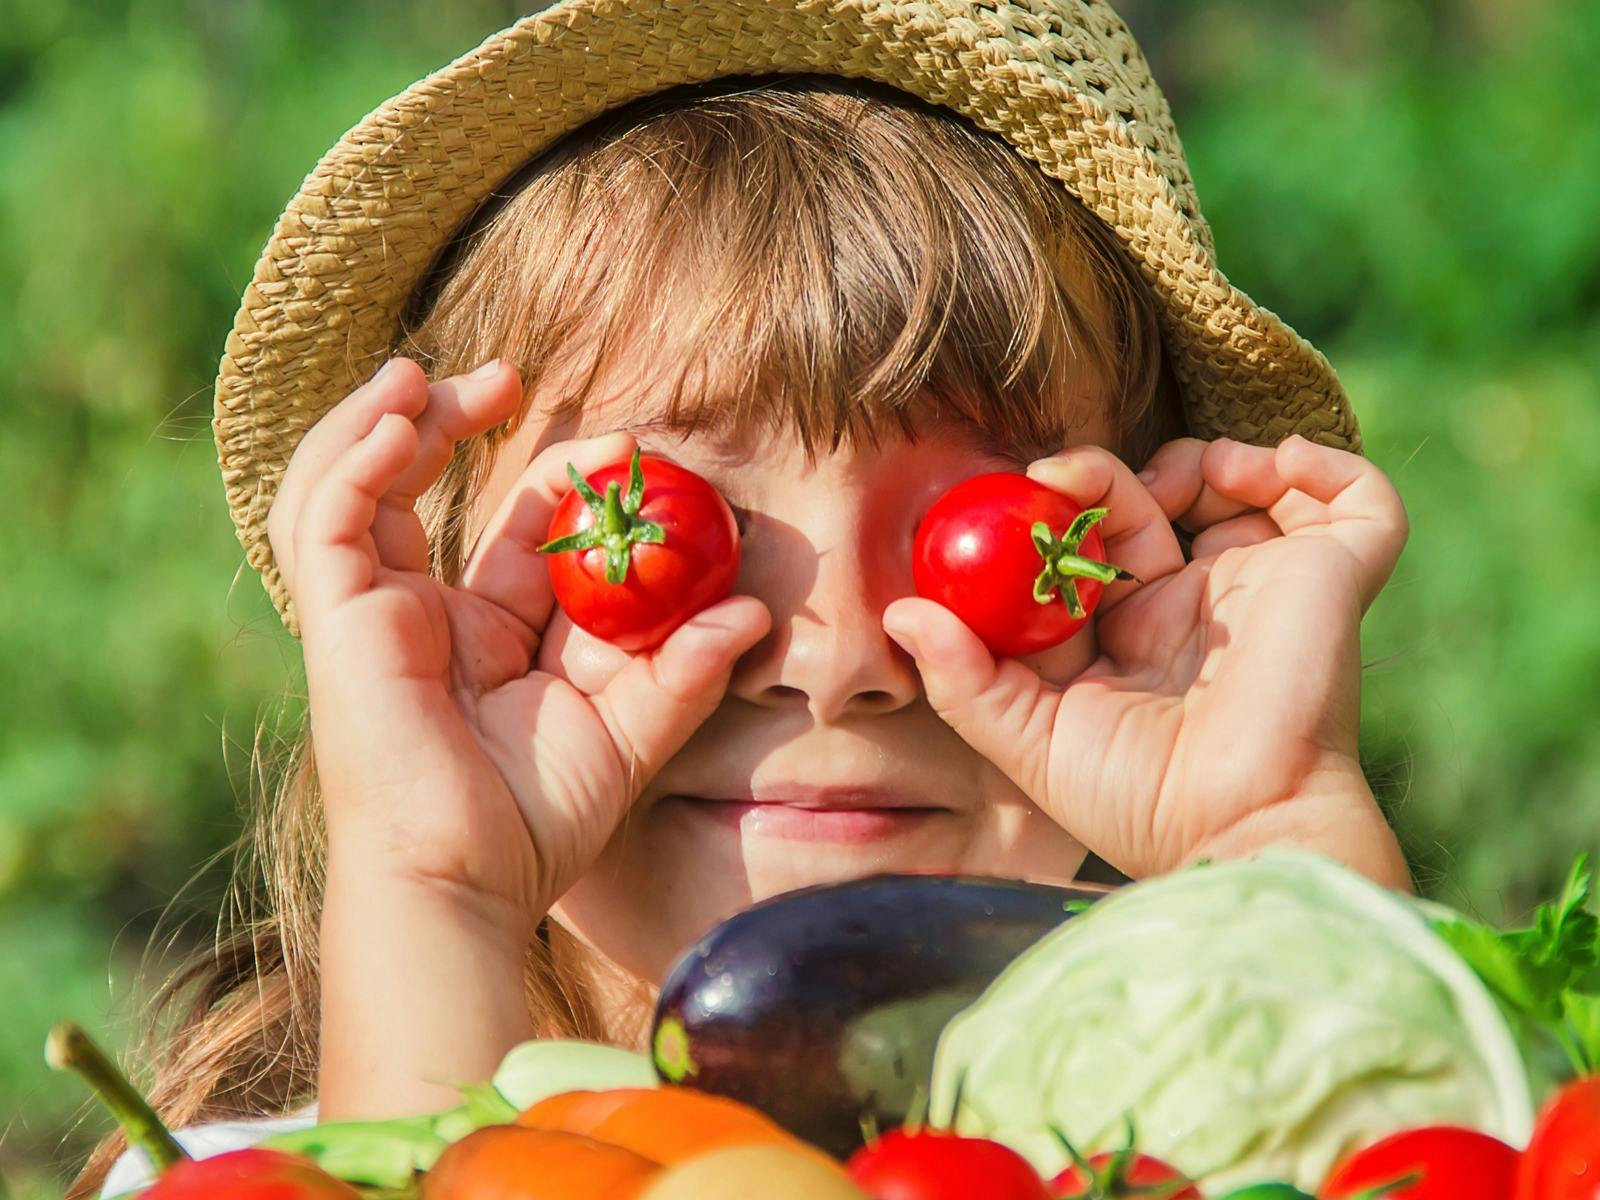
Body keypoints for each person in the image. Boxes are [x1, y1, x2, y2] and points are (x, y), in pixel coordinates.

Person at [84, 2, 1411, 1194]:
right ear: (446, 580)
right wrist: (433, 886)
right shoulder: (222, 1183)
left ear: (1145, 585)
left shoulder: (1196, 1159)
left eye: (986, 534)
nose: (835, 663)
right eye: (671, 524)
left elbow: (1440, 1160)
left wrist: (1272, 827)